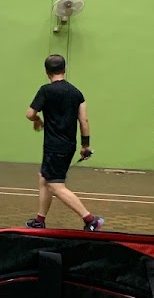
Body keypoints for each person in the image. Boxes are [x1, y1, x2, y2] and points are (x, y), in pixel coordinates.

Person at [24, 54, 104, 232]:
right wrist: (85, 146)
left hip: (54, 147)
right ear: (64, 69)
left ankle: (91, 219)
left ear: (46, 72)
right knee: (44, 178)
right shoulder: (77, 93)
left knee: (55, 185)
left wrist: (38, 120)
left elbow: (30, 114)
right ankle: (40, 220)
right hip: (69, 145)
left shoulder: (46, 90)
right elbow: (84, 121)